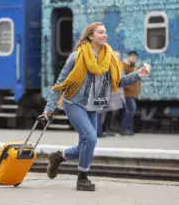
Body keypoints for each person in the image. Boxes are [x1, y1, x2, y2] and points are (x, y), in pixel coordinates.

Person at [42, 22, 150, 191]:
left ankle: (57, 157)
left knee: (86, 145)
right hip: (74, 102)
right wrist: (49, 108)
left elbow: (117, 81)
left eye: (105, 32)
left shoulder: (109, 58)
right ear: (91, 36)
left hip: (93, 105)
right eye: (100, 32)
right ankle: (82, 178)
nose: (105, 35)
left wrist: (138, 75)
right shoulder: (77, 56)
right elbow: (60, 83)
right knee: (91, 137)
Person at [97, 51, 125, 137]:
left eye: (119, 57)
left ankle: (104, 130)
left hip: (114, 93)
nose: (117, 58)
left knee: (107, 112)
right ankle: (100, 131)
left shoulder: (119, 66)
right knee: (101, 112)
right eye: (116, 56)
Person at [121, 50, 141, 135]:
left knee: (130, 110)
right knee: (130, 110)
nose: (134, 59)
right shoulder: (125, 66)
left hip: (133, 93)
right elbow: (123, 79)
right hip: (127, 93)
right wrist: (128, 88)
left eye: (135, 57)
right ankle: (125, 129)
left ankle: (128, 128)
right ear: (129, 57)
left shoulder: (133, 67)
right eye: (132, 57)